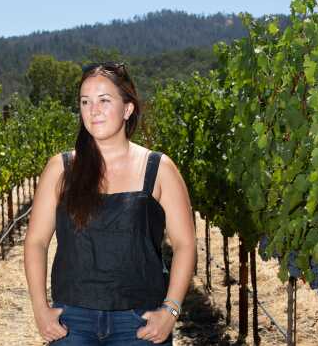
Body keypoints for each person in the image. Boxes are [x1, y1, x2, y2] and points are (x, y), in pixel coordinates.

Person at [23, 62, 197, 345]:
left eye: (104, 100)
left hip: (139, 322)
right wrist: (40, 309)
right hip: (72, 322)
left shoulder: (159, 168)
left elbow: (185, 244)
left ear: (127, 109)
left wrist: (171, 310)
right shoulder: (61, 169)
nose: (93, 110)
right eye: (85, 102)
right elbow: (36, 242)